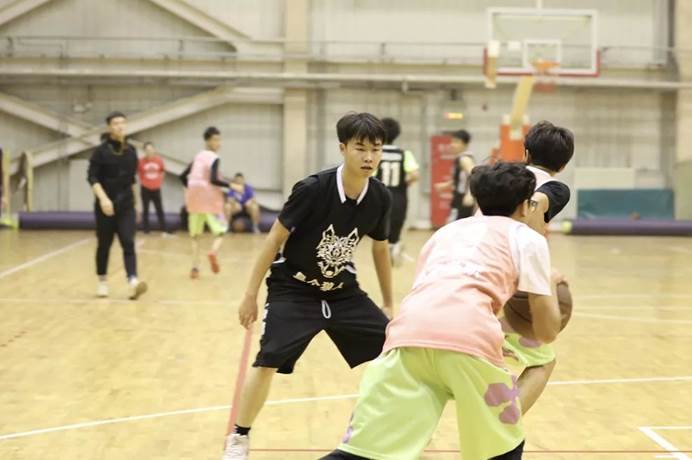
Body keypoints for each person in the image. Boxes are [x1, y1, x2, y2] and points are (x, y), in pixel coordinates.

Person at [323, 162, 564, 460]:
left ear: (477, 200)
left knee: (361, 455)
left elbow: (438, 291)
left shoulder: (445, 233)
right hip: (469, 342)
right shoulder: (528, 238)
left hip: (405, 338)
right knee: (500, 451)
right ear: (526, 206)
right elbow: (547, 332)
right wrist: (549, 283)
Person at [222, 113, 394, 460]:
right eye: (360, 148)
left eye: (375, 150)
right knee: (268, 360)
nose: (369, 157)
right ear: (343, 148)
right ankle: (239, 437)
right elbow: (274, 240)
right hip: (294, 288)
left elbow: (380, 248)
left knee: (395, 351)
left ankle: (376, 430)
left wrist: (389, 302)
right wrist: (250, 294)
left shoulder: (379, 196)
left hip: (342, 290)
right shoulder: (313, 189)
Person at [500, 121, 574, 415]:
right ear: (563, 165)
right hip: (503, 282)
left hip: (464, 273)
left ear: (526, 152)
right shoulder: (554, 187)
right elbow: (536, 203)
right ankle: (502, 429)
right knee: (543, 360)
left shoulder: (502, 178)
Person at [87, 111, 147, 300]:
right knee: (104, 244)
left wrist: (136, 205)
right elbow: (92, 177)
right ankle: (102, 281)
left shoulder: (131, 151)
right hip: (105, 206)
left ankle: (133, 282)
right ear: (109, 127)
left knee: (128, 242)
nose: (120, 126)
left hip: (126, 205)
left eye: (123, 122)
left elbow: (132, 180)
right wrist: (103, 199)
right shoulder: (100, 151)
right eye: (115, 123)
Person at [180, 127, 241, 279]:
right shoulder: (214, 158)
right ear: (207, 141)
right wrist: (232, 185)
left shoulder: (197, 157)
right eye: (215, 139)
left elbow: (182, 176)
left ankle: (195, 267)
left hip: (194, 200)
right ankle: (213, 251)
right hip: (210, 201)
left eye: (219, 139)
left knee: (195, 235)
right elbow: (214, 179)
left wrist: (191, 190)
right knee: (221, 230)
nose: (218, 143)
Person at [375, 117, 419, 266]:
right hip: (398, 196)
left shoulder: (376, 153)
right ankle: (393, 250)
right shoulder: (404, 154)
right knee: (396, 228)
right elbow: (415, 175)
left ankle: (381, 256)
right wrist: (404, 182)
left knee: (379, 229)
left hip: (379, 196)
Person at [434, 129, 476, 220]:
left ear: (465, 144)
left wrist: (469, 194)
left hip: (463, 199)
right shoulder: (459, 158)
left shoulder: (465, 159)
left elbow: (474, 175)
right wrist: (445, 185)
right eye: (452, 142)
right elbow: (460, 178)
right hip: (458, 198)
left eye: (456, 142)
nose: (452, 145)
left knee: (458, 225)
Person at [138, 141, 170, 235]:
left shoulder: (159, 160)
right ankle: (146, 230)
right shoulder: (141, 161)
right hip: (145, 188)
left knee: (159, 209)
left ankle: (164, 229)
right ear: (144, 151)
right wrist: (143, 181)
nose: (149, 151)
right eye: (147, 150)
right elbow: (139, 172)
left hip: (156, 188)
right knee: (146, 209)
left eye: (151, 149)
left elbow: (163, 171)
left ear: (154, 150)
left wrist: (160, 180)